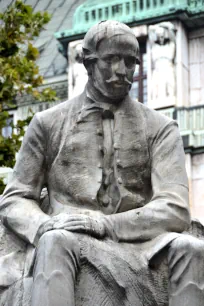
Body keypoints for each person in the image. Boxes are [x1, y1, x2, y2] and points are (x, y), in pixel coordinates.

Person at [1, 20, 204, 306]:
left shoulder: (161, 128)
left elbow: (175, 207)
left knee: (192, 248)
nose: (122, 71)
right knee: (55, 241)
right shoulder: (47, 123)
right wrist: (42, 225)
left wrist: (107, 224)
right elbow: (16, 198)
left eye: (130, 63)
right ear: (89, 62)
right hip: (68, 235)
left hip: (141, 243)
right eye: (111, 60)